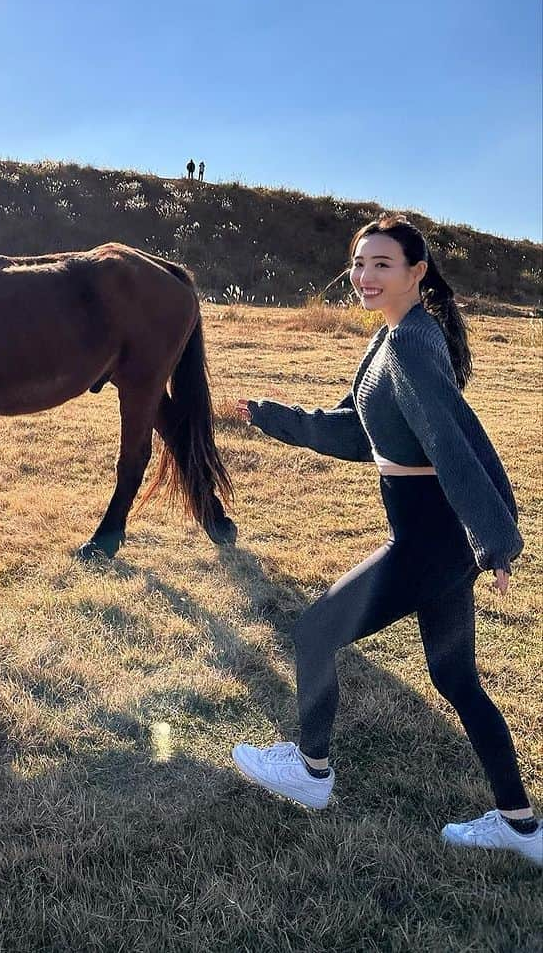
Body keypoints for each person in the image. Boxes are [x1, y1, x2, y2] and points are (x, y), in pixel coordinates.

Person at [230, 214, 539, 864]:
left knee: (316, 632)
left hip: (433, 540)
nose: (366, 276)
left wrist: (494, 538)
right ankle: (521, 825)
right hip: (438, 540)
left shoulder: (407, 346)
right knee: (456, 677)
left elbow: (453, 442)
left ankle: (311, 771)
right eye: (359, 263)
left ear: (416, 272)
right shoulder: (392, 339)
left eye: (383, 264)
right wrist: (272, 416)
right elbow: (353, 429)